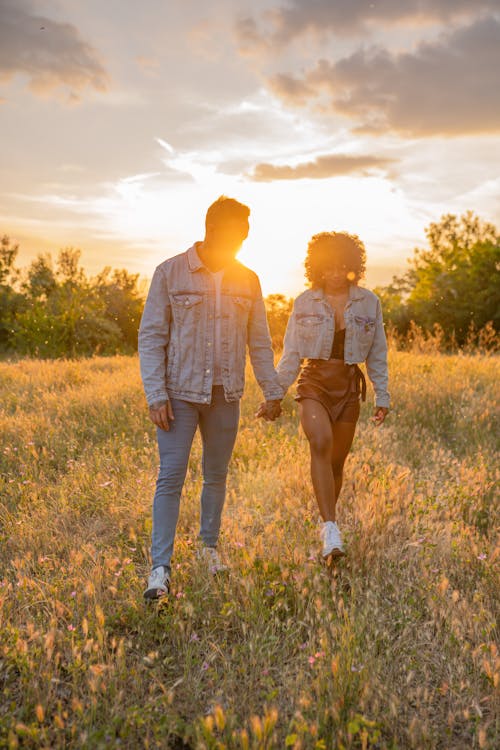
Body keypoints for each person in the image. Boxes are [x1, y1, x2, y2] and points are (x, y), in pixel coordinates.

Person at [138, 196, 283, 600]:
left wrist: (272, 392)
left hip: (226, 394)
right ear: (213, 228)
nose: (241, 241)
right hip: (178, 394)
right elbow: (151, 337)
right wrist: (155, 395)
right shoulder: (170, 272)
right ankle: (160, 571)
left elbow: (259, 343)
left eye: (246, 235)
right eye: (236, 233)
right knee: (171, 478)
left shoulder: (248, 279)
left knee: (215, 476)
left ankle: (208, 550)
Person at [276, 232, 390, 560]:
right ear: (317, 268)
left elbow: (377, 353)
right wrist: (275, 393)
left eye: (342, 266)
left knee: (337, 462)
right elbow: (291, 352)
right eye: (328, 267)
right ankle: (330, 528)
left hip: (349, 386)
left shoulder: (369, 302)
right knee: (321, 444)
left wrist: (382, 395)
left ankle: (328, 532)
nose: (336, 273)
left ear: (353, 266)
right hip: (314, 382)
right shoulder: (305, 302)